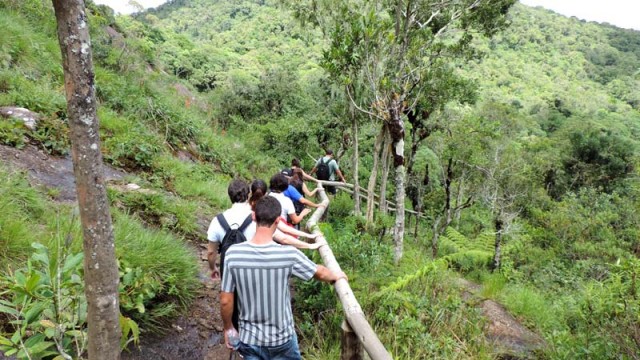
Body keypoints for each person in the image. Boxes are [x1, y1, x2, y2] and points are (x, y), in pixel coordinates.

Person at [221, 196, 347, 358]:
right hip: (282, 340)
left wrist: (228, 328)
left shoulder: (233, 254)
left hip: (250, 339)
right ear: (278, 220)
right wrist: (337, 276)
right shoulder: (288, 254)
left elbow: (225, 300)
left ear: (253, 216)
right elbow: (319, 272)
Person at [249, 179, 323, 249]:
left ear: (251, 192)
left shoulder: (246, 208)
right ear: (266, 193)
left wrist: (309, 236)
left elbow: (283, 229)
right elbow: (283, 236)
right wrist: (309, 245)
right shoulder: (267, 212)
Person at [207, 179, 254, 280]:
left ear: (229, 196)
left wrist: (213, 268)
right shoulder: (257, 218)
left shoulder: (217, 220)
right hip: (251, 271)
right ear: (249, 194)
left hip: (228, 271)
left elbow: (211, 252)